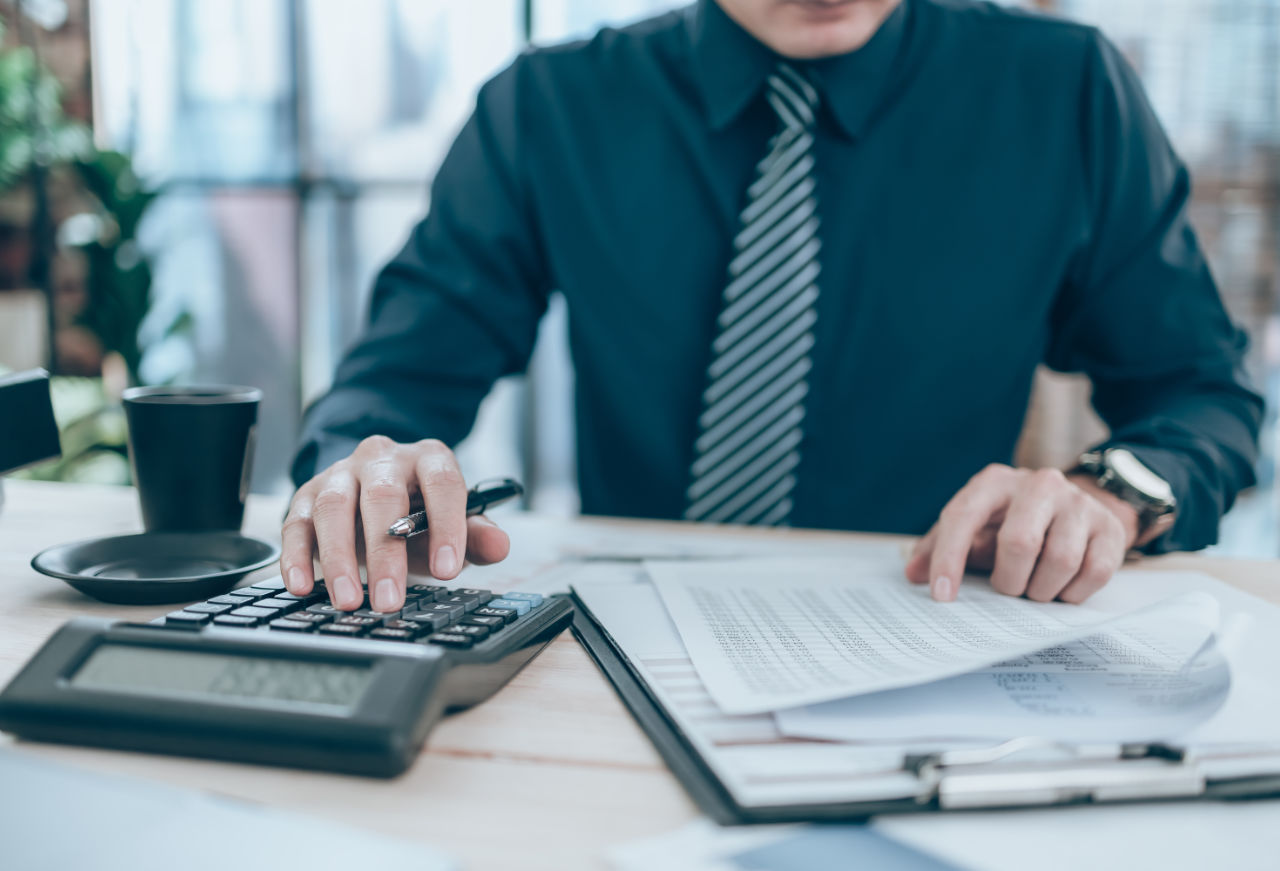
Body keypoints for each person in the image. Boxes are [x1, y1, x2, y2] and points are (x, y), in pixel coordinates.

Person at [284, 0, 1262, 615]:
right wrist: (366, 469)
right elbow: (396, 380)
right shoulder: (547, 105)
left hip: (947, 629)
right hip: (625, 640)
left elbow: (1200, 396)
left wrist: (1110, 493)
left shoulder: (1065, 92)